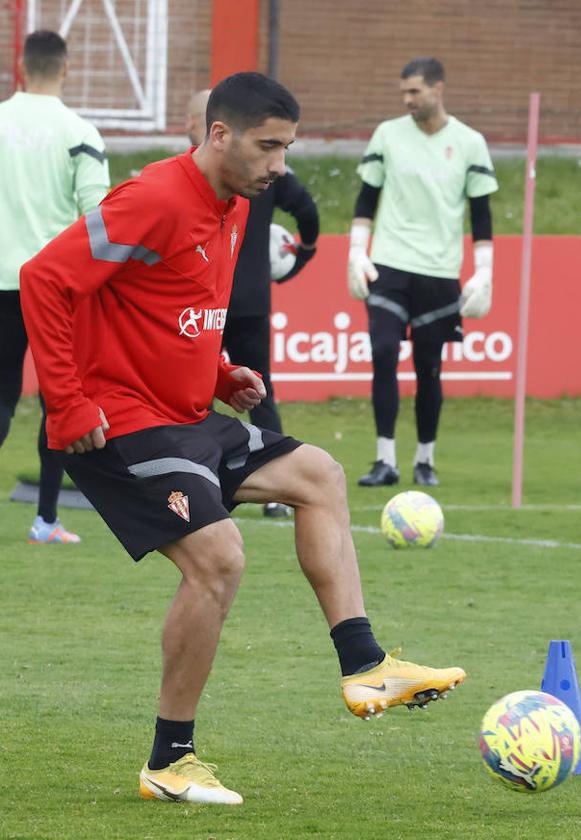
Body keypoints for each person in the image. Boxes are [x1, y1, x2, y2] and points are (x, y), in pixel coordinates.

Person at [20, 71, 465, 806]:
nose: (280, 164)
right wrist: (66, 405)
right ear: (219, 135)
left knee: (318, 474)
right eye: (268, 146)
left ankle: (365, 664)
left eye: (286, 148)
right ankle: (171, 761)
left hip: (184, 413)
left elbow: (168, 306)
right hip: (119, 421)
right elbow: (45, 280)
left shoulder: (234, 205)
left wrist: (221, 373)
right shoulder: (153, 199)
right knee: (219, 559)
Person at [348, 56, 498, 488]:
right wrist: (357, 252)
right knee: (382, 352)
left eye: (415, 91)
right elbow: (366, 199)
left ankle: (425, 460)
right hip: (390, 265)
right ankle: (384, 460)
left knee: (429, 367)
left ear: (438, 89)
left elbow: (481, 213)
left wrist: (484, 271)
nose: (408, 100)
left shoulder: (470, 142)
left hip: (439, 272)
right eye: (404, 94)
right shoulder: (387, 135)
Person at [186, 88, 320, 518]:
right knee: (257, 391)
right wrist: (306, 253)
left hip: (210, 304)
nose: (276, 163)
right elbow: (308, 212)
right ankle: (276, 494)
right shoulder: (187, 184)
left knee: (208, 393)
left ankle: (197, 485)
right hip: (248, 300)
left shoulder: (235, 175)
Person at [0, 30, 110, 544]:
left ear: (21, 69)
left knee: (1, 399)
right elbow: (99, 215)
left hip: (0, 281)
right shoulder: (79, 130)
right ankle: (45, 521)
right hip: (54, 291)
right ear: (65, 69)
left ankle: (47, 521)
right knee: (56, 403)